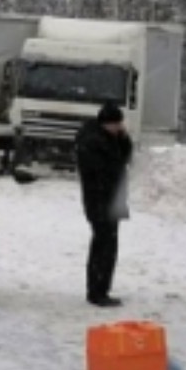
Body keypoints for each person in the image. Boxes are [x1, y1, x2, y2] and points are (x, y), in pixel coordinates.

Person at [73, 102, 133, 308]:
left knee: (108, 244)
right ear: (107, 123)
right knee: (103, 245)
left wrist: (123, 138)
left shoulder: (109, 138)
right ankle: (97, 291)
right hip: (99, 200)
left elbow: (124, 157)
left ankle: (101, 288)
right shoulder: (93, 142)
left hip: (110, 200)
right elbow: (108, 168)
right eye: (117, 124)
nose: (119, 128)